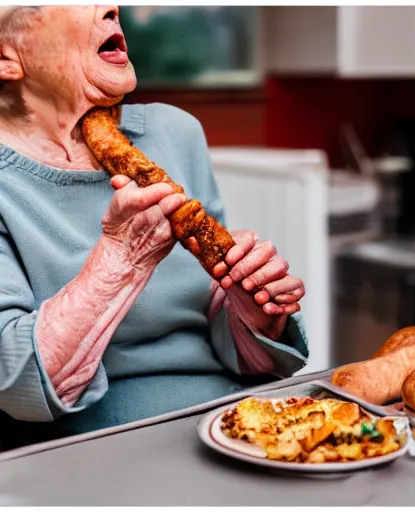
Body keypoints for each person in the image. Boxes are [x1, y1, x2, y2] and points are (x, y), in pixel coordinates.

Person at [0, 5, 308, 444]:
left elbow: (246, 356)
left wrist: (252, 313)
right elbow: (15, 386)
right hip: (90, 452)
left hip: (235, 423)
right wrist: (120, 262)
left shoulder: (176, 132)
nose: (110, 6)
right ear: (6, 58)